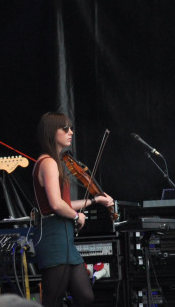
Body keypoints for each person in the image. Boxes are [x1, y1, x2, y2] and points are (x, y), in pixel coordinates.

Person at [31, 112, 113, 307]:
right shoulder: (49, 162)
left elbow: (63, 203)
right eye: (65, 128)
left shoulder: (53, 162)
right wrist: (77, 217)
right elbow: (56, 205)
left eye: (71, 128)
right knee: (53, 299)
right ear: (52, 132)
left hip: (64, 236)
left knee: (85, 296)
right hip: (54, 236)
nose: (71, 132)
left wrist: (95, 201)